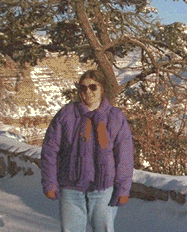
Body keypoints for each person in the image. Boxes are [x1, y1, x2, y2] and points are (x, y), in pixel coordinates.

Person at [40, 70, 134, 232]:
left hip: (103, 189)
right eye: (83, 88)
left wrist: (123, 188)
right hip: (70, 188)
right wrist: (49, 182)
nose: (88, 92)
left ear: (102, 88)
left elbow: (124, 156)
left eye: (93, 87)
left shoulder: (115, 117)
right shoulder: (66, 114)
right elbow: (50, 150)